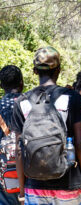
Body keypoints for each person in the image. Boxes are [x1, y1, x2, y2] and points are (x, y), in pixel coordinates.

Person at [11, 46, 81, 205]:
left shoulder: (22, 102)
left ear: (35, 71)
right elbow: (80, 145)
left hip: (34, 187)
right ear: (59, 70)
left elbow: (19, 151)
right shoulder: (72, 98)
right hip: (68, 185)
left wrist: (22, 192)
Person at [0, 65, 23, 205]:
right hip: (31, 171)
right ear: (21, 83)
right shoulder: (32, 103)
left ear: (1, 85)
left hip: (3, 175)